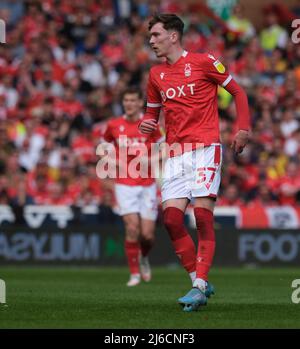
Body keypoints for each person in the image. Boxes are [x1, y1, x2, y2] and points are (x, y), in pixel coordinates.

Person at [139, 14, 250, 311]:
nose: (151, 41)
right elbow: (150, 115)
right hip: (175, 153)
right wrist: (147, 125)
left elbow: (238, 92)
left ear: (173, 36)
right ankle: (197, 281)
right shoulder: (155, 75)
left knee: (202, 217)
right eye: (150, 36)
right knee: (172, 220)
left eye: (156, 35)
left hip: (205, 148)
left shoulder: (204, 62)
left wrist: (243, 128)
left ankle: (199, 285)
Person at [102, 87, 163, 287]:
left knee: (147, 235)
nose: (128, 103)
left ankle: (144, 257)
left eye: (132, 100)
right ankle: (134, 274)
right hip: (124, 184)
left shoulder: (150, 125)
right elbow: (104, 149)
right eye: (126, 100)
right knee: (132, 228)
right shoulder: (113, 125)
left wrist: (150, 159)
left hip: (147, 184)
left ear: (139, 103)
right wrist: (116, 163)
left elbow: (165, 148)